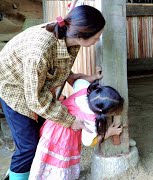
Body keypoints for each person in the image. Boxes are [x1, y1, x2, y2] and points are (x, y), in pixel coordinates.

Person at [0, 5, 105, 179]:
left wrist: (80, 77)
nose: (98, 40)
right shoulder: (40, 52)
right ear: (82, 34)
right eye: (96, 36)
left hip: (32, 82)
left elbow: (57, 66)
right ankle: (16, 174)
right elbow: (35, 99)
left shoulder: (68, 35)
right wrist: (70, 121)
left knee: (42, 133)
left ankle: (22, 172)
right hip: (12, 86)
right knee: (28, 146)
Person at [29, 71, 124, 179]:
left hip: (52, 126)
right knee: (59, 164)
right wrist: (109, 133)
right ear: (104, 111)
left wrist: (94, 77)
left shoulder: (84, 90)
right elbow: (89, 142)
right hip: (64, 139)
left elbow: (78, 81)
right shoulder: (91, 119)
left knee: (46, 158)